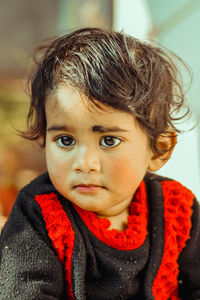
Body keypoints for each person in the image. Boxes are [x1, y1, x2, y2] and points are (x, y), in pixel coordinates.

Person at [0, 27, 199, 300]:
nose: (85, 163)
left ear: (159, 150)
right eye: (66, 140)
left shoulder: (178, 208)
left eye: (108, 141)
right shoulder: (39, 213)